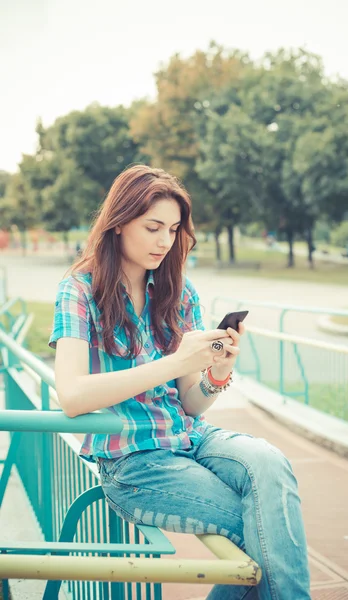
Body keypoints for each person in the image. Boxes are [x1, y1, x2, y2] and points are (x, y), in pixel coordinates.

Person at [49, 165, 311, 599]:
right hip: (135, 463)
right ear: (118, 224)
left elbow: (190, 404)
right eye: (152, 227)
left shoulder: (178, 290)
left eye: (172, 229)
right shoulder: (79, 291)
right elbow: (72, 396)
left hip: (192, 438)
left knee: (270, 464)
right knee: (264, 528)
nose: (164, 241)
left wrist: (216, 372)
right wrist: (175, 362)